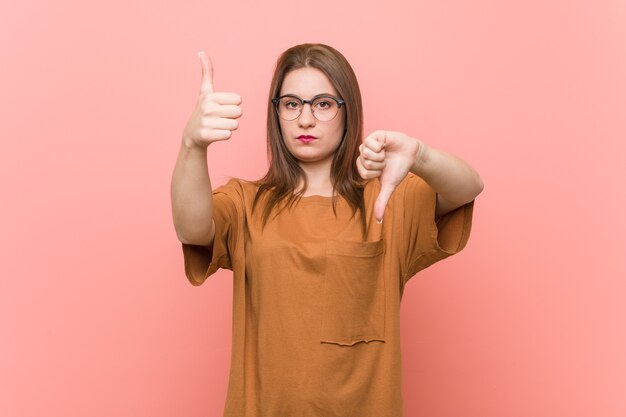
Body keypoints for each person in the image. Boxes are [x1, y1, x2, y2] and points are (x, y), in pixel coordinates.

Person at [171, 43, 483, 417]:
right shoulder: (245, 203)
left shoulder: (386, 200)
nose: (305, 119)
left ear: (347, 111)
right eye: (291, 104)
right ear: (276, 114)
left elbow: (468, 187)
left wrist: (420, 156)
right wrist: (192, 144)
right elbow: (192, 229)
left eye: (322, 103)